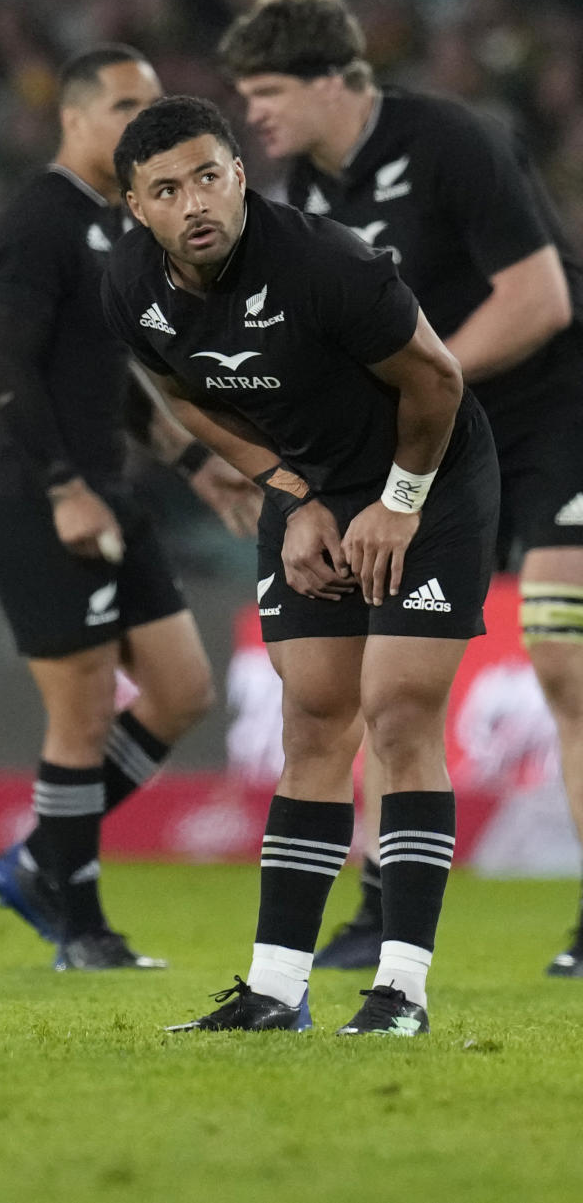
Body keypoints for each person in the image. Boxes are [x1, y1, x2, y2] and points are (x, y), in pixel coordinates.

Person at [103, 94, 499, 1034]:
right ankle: (277, 989)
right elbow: (178, 393)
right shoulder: (132, 290)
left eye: (209, 174)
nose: (194, 200)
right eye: (167, 188)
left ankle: (400, 990)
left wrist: (396, 507)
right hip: (313, 489)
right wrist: (287, 490)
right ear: (135, 208)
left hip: (428, 474)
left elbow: (438, 382)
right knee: (314, 718)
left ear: (240, 173)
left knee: (398, 708)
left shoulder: (326, 264)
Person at [218, 0, 583, 976]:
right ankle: (382, 904)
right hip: (430, 443)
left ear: (335, 81)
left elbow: (541, 297)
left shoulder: (451, 144)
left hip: (553, 421)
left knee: (564, 656)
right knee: (389, 681)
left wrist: (429, 387)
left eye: (268, 90)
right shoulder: (298, 198)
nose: (255, 114)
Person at [0, 47, 260, 972]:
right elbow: (7, 366)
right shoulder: (36, 223)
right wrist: (61, 486)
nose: (143, 123)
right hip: (37, 497)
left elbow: (109, 373)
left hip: (113, 492)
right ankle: (80, 923)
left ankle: (35, 858)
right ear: (77, 116)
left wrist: (189, 459)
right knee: (85, 711)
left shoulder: (117, 227)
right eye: (127, 106)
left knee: (182, 691)